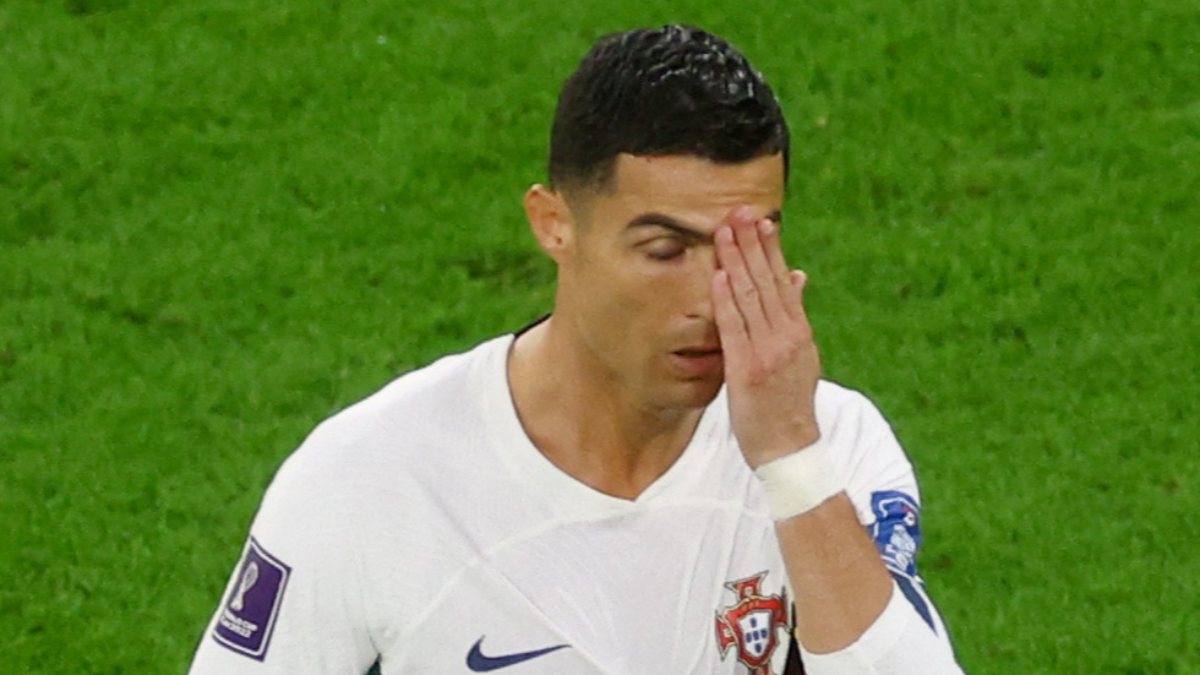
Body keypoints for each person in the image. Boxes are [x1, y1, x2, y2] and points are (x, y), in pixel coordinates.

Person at [189, 24, 964, 674]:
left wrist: (790, 459)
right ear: (554, 224)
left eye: (747, 246)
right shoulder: (369, 481)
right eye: (666, 250)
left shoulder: (831, 445)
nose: (711, 299)